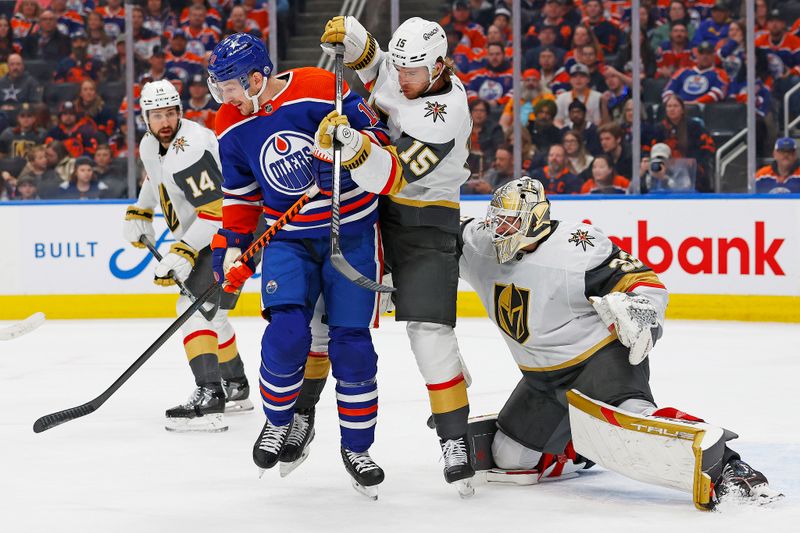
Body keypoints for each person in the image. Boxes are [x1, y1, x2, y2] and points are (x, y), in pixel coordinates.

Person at [458, 177, 782, 508]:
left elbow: (645, 282)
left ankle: (731, 468)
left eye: (510, 221)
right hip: (542, 380)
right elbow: (430, 237)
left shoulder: (577, 247)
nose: (500, 230)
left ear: (536, 218)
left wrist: (639, 314)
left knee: (638, 425)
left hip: (599, 362)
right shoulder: (479, 244)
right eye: (496, 219)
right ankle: (578, 449)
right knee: (509, 458)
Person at [206, 33, 387, 496]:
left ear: (256, 77)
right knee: (287, 335)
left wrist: (347, 145)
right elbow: (242, 199)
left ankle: (357, 447)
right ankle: (277, 423)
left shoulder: (317, 85)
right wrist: (233, 249)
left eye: (229, 86)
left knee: (352, 347)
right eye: (219, 87)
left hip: (350, 229)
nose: (223, 97)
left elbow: (378, 137)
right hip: (286, 238)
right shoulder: (229, 123)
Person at [314, 16, 475, 496]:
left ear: (440, 67)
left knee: (429, 334)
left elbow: (394, 176)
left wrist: (354, 146)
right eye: (401, 69)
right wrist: (353, 32)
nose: (402, 80)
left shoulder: (447, 112)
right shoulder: (406, 71)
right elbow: (376, 63)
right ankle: (299, 416)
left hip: (426, 220)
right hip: (370, 214)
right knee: (326, 320)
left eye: (413, 72)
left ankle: (455, 439)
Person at [121, 79, 253, 433]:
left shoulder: (191, 148)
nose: (164, 122)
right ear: (145, 118)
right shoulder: (152, 144)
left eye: (170, 113)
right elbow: (156, 179)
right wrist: (141, 210)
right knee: (214, 314)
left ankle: (210, 397)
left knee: (192, 307)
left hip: (231, 235)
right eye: (156, 115)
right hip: (210, 236)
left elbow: (218, 211)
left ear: (180, 112)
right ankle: (236, 386)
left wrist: (183, 250)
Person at [650, 94, 715, 192]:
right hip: (665, 172)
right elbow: (650, 149)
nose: (672, 109)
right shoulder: (658, 128)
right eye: (669, 106)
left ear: (682, 109)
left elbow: (708, 147)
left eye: (675, 106)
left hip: (693, 173)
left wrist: (694, 162)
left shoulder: (694, 126)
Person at [662, 41, 729, 104]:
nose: (704, 57)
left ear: (713, 56)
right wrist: (675, 104)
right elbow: (668, 91)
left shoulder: (720, 73)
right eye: (701, 53)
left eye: (708, 53)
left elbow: (717, 94)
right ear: (697, 55)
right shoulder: (683, 71)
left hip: (703, 110)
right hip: (679, 108)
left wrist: (695, 103)